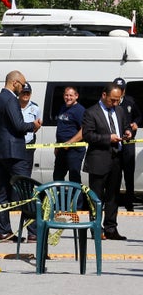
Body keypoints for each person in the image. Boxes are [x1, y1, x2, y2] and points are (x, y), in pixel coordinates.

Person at [0, 70, 42, 242]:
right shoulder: (11, 100)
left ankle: (4, 230)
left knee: (4, 192)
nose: (22, 89)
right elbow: (18, 125)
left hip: (1, 151)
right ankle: (33, 232)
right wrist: (33, 125)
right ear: (15, 83)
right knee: (26, 190)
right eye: (22, 84)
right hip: (15, 152)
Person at [82, 82, 131, 240]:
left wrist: (128, 132)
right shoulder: (91, 112)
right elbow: (88, 135)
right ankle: (96, 228)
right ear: (104, 95)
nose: (115, 103)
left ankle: (111, 228)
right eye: (113, 100)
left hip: (116, 159)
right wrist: (107, 138)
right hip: (99, 160)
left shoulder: (120, 110)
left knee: (113, 196)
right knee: (96, 197)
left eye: (118, 100)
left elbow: (125, 126)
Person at [113, 78, 142, 211]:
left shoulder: (130, 102)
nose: (119, 91)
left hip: (128, 144)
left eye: (121, 89)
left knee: (128, 175)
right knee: (115, 174)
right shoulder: (110, 103)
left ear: (124, 91)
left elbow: (139, 116)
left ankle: (129, 204)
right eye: (116, 88)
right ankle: (114, 201)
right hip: (114, 143)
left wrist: (136, 124)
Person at [53, 86, 85, 185]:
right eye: (66, 95)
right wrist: (57, 145)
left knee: (74, 178)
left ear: (76, 96)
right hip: (62, 149)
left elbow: (84, 130)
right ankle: (60, 199)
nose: (68, 97)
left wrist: (70, 143)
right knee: (57, 176)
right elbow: (61, 128)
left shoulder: (79, 110)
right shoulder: (63, 107)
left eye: (71, 95)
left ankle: (77, 200)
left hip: (74, 150)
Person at [19, 82, 40, 176]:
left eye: (28, 93)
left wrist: (30, 134)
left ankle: (25, 190)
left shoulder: (35, 108)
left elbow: (37, 125)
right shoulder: (13, 105)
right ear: (19, 93)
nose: (25, 95)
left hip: (28, 145)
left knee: (27, 172)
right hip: (16, 144)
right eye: (23, 92)